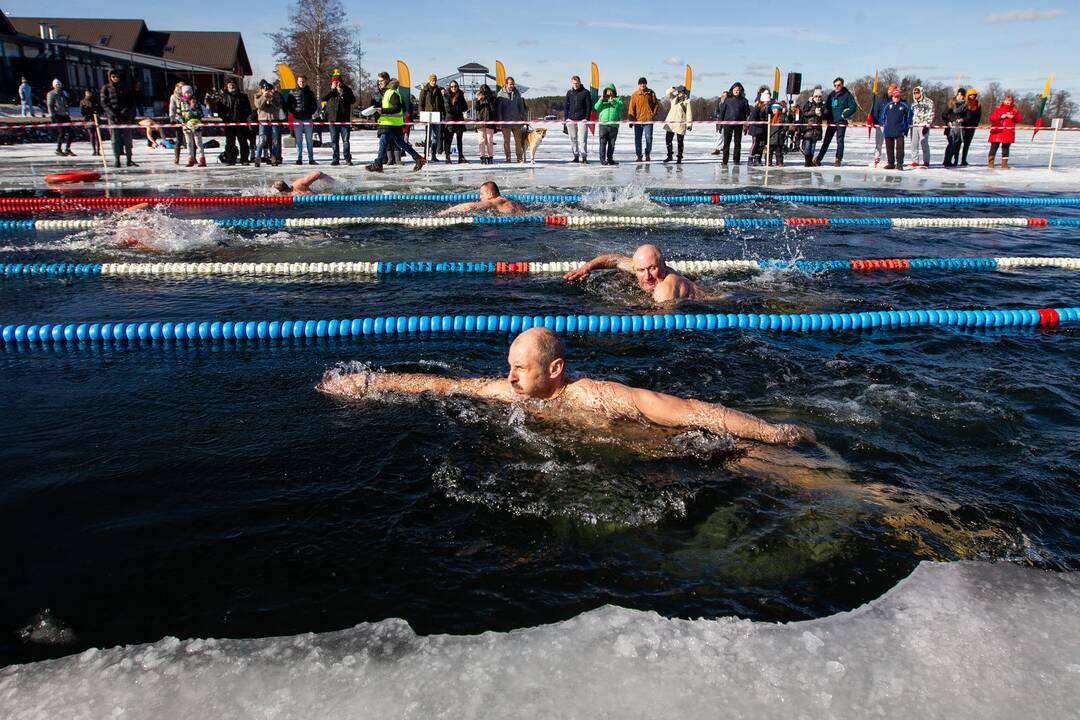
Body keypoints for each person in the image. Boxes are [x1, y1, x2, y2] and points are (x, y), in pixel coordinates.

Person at [318, 327, 816, 448]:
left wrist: (769, 432)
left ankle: (886, 506)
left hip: (681, 451)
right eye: (508, 367)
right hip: (631, 461)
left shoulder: (599, 394)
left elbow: (687, 410)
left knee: (769, 465)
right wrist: (369, 382)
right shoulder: (507, 393)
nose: (509, 377)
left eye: (520, 369)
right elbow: (444, 386)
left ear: (555, 370)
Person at [564, 244, 703, 303]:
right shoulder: (641, 266)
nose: (647, 276)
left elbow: (660, 325)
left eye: (652, 268)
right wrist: (587, 267)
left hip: (714, 299)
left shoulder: (665, 289)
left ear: (664, 265)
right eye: (641, 270)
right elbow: (615, 260)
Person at [365, 75, 425, 172]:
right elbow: (404, 109)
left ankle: (378, 164)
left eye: (381, 80)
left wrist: (383, 110)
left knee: (383, 143)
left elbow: (397, 108)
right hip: (393, 123)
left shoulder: (392, 93)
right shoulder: (390, 92)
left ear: (387, 80)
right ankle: (418, 158)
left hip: (389, 124)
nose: (379, 82)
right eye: (378, 81)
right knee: (401, 143)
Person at [815, 77, 856, 166]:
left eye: (838, 85)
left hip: (841, 121)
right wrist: (823, 114)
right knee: (826, 141)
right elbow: (826, 108)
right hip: (831, 121)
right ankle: (818, 158)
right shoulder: (831, 95)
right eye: (835, 85)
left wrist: (845, 114)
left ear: (842, 85)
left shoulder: (847, 95)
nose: (837, 87)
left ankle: (838, 159)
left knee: (840, 141)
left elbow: (853, 107)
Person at [100, 70, 137, 167]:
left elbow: (131, 102)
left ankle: (129, 159)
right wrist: (111, 114)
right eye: (113, 77)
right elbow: (104, 103)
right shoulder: (106, 88)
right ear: (110, 77)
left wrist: (126, 111)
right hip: (113, 117)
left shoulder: (125, 88)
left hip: (125, 116)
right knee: (115, 139)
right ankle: (117, 159)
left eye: (117, 76)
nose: (115, 78)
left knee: (128, 139)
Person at [212, 78, 251, 165]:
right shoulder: (222, 97)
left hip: (240, 123)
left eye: (233, 84)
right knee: (230, 143)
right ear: (226, 86)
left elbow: (248, 109)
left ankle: (244, 159)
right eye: (230, 84)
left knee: (243, 142)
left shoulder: (243, 97)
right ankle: (231, 160)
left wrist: (243, 117)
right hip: (228, 123)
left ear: (236, 86)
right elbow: (219, 110)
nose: (232, 86)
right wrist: (225, 117)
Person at [322, 70, 355, 166]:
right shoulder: (330, 91)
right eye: (334, 82)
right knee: (334, 140)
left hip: (344, 119)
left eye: (338, 82)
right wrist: (332, 90)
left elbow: (353, 100)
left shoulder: (347, 90)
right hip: (332, 119)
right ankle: (335, 158)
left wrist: (342, 93)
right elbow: (323, 98)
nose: (337, 84)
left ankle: (347, 158)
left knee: (345, 141)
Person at [437, 181, 526, 216]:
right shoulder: (509, 201)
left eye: (482, 194)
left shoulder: (494, 202)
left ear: (490, 194)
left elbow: (469, 206)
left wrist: (446, 212)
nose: (480, 197)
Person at [286, 74, 318, 165]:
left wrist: (310, 112)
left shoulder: (310, 93)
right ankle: (299, 158)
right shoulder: (292, 92)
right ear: (297, 82)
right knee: (299, 140)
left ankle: (311, 159)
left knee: (309, 140)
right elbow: (288, 105)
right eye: (300, 81)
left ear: (306, 82)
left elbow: (314, 105)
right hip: (297, 119)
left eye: (303, 81)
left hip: (308, 119)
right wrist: (294, 111)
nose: (301, 83)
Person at [878, 86, 912, 171]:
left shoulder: (904, 105)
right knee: (889, 148)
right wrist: (884, 124)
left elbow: (909, 117)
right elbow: (882, 116)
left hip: (899, 130)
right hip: (888, 130)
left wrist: (905, 126)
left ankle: (899, 164)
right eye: (894, 97)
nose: (896, 98)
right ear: (892, 97)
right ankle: (891, 163)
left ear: (899, 97)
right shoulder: (887, 105)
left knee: (900, 148)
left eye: (897, 97)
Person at [627, 77, 659, 162]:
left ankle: (647, 154)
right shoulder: (635, 94)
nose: (642, 85)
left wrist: (653, 114)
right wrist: (631, 120)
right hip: (638, 121)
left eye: (644, 83)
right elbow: (631, 108)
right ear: (639, 84)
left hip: (648, 120)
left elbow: (656, 104)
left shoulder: (651, 93)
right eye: (641, 83)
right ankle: (639, 156)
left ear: (646, 84)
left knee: (649, 138)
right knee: (638, 139)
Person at [496, 76, 528, 163]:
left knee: (518, 140)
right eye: (510, 84)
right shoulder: (500, 94)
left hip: (516, 121)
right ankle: (508, 157)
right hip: (505, 122)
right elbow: (499, 109)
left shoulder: (517, 93)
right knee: (506, 141)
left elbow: (521, 107)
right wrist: (499, 121)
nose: (512, 86)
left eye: (513, 84)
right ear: (506, 84)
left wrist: (524, 117)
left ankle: (519, 157)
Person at [254, 80, 283, 167]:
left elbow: (279, 106)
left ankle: (273, 158)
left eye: (269, 90)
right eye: (265, 89)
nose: (267, 91)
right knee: (262, 140)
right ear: (261, 89)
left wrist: (272, 98)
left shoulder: (276, 95)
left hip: (274, 120)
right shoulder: (257, 96)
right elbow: (258, 105)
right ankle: (258, 158)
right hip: (263, 121)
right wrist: (264, 97)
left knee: (275, 141)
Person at [718, 82, 749, 166]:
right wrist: (720, 124)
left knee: (737, 143)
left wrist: (746, 125)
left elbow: (747, 114)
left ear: (741, 91)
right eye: (735, 90)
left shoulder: (744, 101)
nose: (737, 91)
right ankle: (725, 160)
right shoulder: (727, 100)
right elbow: (722, 112)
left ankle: (736, 160)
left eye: (738, 90)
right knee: (726, 143)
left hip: (739, 124)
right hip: (728, 124)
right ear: (732, 90)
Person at [564, 75, 593, 163]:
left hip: (582, 119)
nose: (575, 85)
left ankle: (584, 157)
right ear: (571, 83)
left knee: (582, 139)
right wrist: (566, 118)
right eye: (574, 83)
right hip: (571, 119)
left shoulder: (586, 92)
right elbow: (566, 106)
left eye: (577, 83)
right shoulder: (569, 93)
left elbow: (589, 106)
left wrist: (587, 118)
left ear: (580, 82)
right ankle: (576, 156)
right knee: (573, 138)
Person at [418, 73, 446, 161]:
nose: (434, 82)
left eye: (435, 80)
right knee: (428, 136)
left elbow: (441, 103)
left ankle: (433, 155)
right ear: (429, 80)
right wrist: (421, 114)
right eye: (432, 80)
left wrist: (443, 113)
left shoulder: (438, 90)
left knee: (435, 136)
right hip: (427, 115)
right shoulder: (424, 90)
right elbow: (420, 103)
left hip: (437, 115)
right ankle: (425, 155)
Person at [988, 95, 1021, 169]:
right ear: (1003, 101)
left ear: (1012, 102)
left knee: (1005, 148)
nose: (1008, 102)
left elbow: (1019, 119)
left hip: (1008, 132)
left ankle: (1004, 164)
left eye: (1010, 100)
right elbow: (992, 117)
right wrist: (1001, 116)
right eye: (1007, 100)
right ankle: (991, 163)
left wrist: (1014, 117)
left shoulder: (1015, 110)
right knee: (994, 147)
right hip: (997, 131)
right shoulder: (998, 109)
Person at [594, 83, 623, 166]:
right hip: (603, 125)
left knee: (612, 143)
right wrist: (600, 100)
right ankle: (602, 159)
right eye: (608, 91)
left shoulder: (618, 99)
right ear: (606, 91)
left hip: (614, 125)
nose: (609, 92)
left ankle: (610, 159)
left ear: (614, 91)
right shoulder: (602, 99)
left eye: (611, 91)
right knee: (602, 142)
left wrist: (612, 101)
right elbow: (596, 107)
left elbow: (620, 107)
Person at [178, 85, 206, 167]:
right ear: (183, 93)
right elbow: (178, 114)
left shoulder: (196, 102)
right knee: (189, 143)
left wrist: (193, 114)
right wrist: (181, 120)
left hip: (195, 125)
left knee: (198, 143)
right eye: (186, 92)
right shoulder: (181, 102)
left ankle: (202, 159)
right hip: (186, 125)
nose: (188, 94)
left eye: (189, 92)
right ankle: (191, 159)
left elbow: (201, 113)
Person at [662, 85, 692, 164]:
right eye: (678, 91)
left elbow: (689, 113)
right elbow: (667, 93)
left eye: (681, 91)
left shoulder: (687, 101)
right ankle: (669, 155)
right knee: (668, 140)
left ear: (684, 92)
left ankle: (679, 157)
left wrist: (689, 124)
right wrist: (673, 88)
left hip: (680, 123)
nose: (679, 93)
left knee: (680, 141)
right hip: (671, 122)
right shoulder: (673, 99)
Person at [46, 79, 74, 157]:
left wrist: (69, 100)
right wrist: (52, 115)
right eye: (57, 85)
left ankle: (67, 149)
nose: (58, 87)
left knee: (71, 132)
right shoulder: (51, 94)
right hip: (58, 115)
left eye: (59, 85)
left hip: (65, 115)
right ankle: (58, 149)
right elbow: (50, 105)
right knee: (62, 132)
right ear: (54, 86)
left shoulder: (63, 93)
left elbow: (66, 102)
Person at [800, 88, 827, 167]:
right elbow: (804, 113)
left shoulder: (822, 105)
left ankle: (810, 161)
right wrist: (814, 112)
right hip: (809, 129)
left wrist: (821, 113)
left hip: (817, 130)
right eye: (816, 96)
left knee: (813, 147)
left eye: (819, 96)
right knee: (808, 146)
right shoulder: (809, 104)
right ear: (813, 96)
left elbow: (826, 114)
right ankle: (807, 161)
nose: (818, 98)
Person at [443, 80, 469, 164]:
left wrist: (459, 103)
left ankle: (460, 157)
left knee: (459, 140)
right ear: (450, 87)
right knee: (449, 139)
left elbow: (465, 107)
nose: (454, 88)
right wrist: (458, 109)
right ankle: (447, 157)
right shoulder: (446, 95)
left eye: (455, 86)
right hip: (450, 119)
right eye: (452, 86)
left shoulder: (460, 94)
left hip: (459, 119)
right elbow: (448, 109)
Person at [909, 86, 934, 168]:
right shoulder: (913, 104)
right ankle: (915, 161)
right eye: (914, 93)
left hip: (923, 125)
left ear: (921, 92)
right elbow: (910, 115)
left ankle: (926, 161)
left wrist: (927, 124)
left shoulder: (929, 102)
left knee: (924, 143)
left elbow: (931, 114)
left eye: (917, 92)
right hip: (914, 126)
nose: (916, 94)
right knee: (914, 144)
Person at [871, 84, 894, 167]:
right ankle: (877, 158)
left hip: (891, 126)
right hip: (880, 125)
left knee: (890, 144)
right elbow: (876, 111)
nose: (891, 92)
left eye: (893, 91)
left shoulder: (896, 101)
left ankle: (890, 159)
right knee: (878, 143)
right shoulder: (881, 101)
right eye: (890, 90)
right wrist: (874, 121)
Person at [474, 84, 497, 165]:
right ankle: (482, 157)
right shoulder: (478, 97)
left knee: (489, 140)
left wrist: (489, 99)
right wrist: (478, 100)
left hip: (490, 121)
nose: (484, 92)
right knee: (481, 140)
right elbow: (476, 108)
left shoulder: (493, 98)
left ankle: (490, 157)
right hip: (480, 121)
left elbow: (494, 109)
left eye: (485, 90)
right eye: (482, 90)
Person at [942, 88, 966, 167]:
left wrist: (963, 119)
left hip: (960, 128)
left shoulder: (965, 106)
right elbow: (944, 114)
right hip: (951, 128)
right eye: (958, 94)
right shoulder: (951, 104)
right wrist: (948, 122)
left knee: (957, 145)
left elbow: (968, 116)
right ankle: (947, 160)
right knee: (951, 144)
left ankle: (955, 161)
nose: (959, 96)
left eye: (961, 95)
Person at [747, 87, 770, 165]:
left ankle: (757, 159)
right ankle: (750, 158)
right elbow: (752, 119)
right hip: (756, 130)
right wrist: (760, 123)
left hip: (763, 130)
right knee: (755, 144)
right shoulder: (757, 108)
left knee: (761, 145)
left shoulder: (766, 109)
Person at [959, 88, 982, 166]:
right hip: (963, 126)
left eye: (974, 95)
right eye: (971, 95)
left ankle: (963, 160)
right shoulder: (965, 103)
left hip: (972, 127)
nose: (972, 96)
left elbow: (978, 116)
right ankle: (955, 160)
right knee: (958, 143)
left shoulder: (977, 104)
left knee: (967, 144)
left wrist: (975, 124)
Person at [79, 89, 102, 156]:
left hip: (95, 119)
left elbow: (100, 110)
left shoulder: (95, 100)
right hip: (88, 119)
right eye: (87, 93)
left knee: (97, 136)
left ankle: (98, 150)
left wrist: (97, 112)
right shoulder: (83, 102)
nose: (88, 94)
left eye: (89, 93)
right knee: (92, 136)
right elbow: (82, 112)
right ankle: (94, 150)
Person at [767, 100, 789, 167]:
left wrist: (783, 131)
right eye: (773, 109)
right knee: (769, 151)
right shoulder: (770, 117)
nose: (774, 110)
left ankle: (779, 162)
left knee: (778, 151)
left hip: (779, 136)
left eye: (775, 109)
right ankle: (768, 162)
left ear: (778, 109)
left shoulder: (783, 116)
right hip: (771, 136)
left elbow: (786, 125)